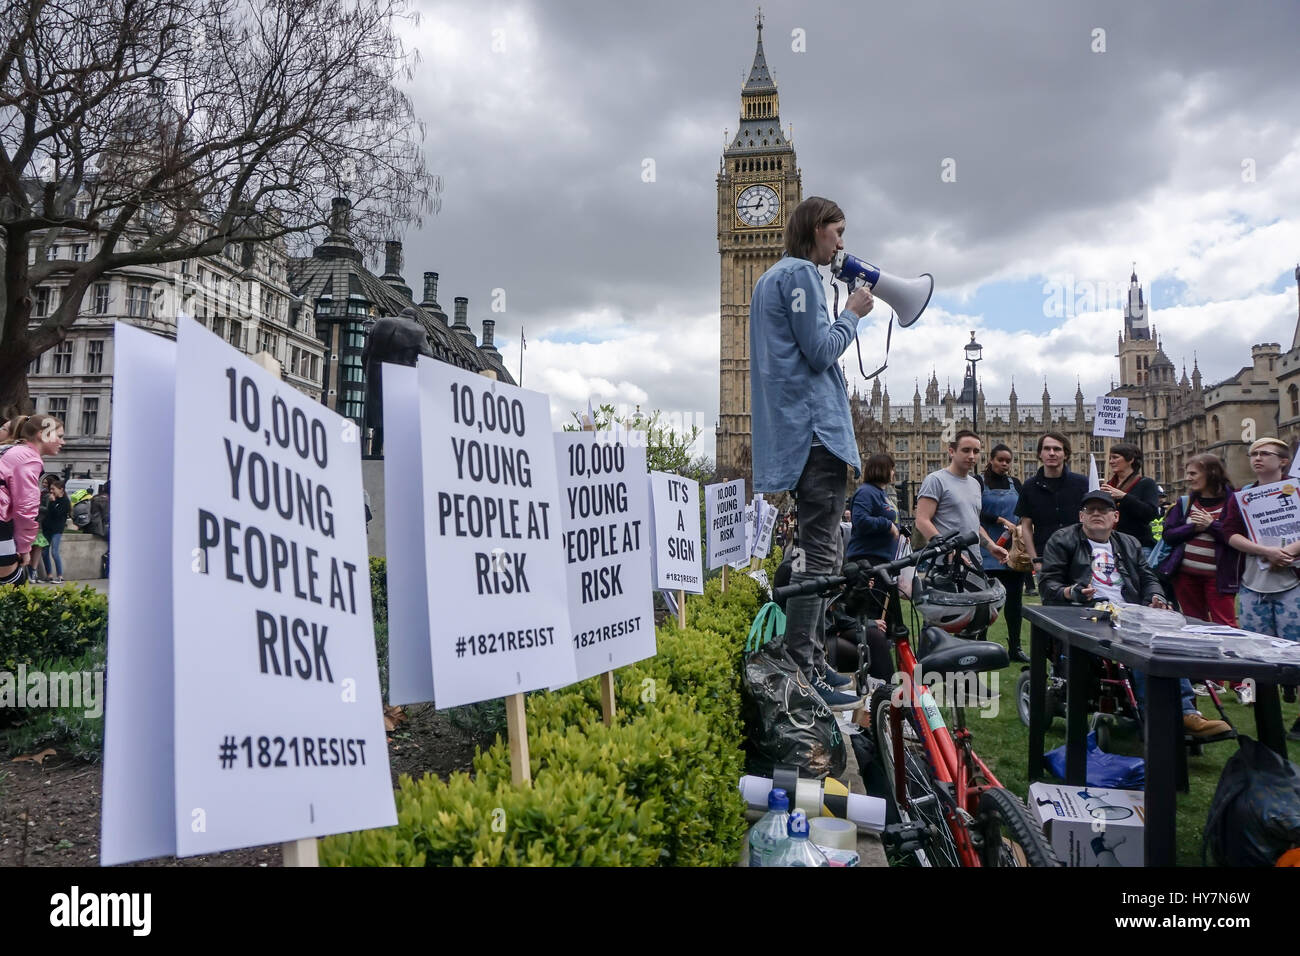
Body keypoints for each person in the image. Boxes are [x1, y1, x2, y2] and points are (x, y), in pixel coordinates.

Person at [749, 196, 873, 709]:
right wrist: (852, 314)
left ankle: (813, 659)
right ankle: (804, 668)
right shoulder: (799, 275)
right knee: (819, 554)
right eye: (837, 232)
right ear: (815, 229)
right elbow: (821, 351)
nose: (842, 244)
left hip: (796, 432)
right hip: (815, 433)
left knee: (817, 550)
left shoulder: (768, 279)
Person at [1039, 489, 1230, 738]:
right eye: (1090, 510)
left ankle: (1186, 712)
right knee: (1139, 645)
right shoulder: (1063, 540)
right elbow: (1048, 585)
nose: (1096, 514)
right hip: (1086, 614)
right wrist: (1071, 592)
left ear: (1115, 516)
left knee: (1171, 642)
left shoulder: (1129, 543)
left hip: (1131, 612)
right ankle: (1170, 715)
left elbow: (1147, 577)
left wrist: (1156, 597)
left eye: (1103, 509)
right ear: (1081, 516)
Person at [1224, 437, 1300, 740]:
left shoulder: (1296, 490)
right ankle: (1269, 722)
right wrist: (1264, 551)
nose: (1256, 458)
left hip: (1293, 580)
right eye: (1253, 453)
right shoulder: (1242, 497)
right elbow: (1229, 532)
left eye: (1264, 454)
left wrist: (1290, 551)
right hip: (1254, 583)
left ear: (1283, 461)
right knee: (1258, 653)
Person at [1157, 454, 1240, 626]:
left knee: (1225, 625)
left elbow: (1238, 537)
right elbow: (1169, 536)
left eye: (1193, 473)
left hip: (1219, 576)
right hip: (1185, 576)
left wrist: (1211, 525)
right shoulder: (1185, 502)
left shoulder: (1234, 501)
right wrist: (1193, 527)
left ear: (1211, 472)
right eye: (1187, 473)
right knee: (1194, 624)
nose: (1188, 478)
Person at [915, 429, 1008, 567]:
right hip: (945, 565)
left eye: (976, 451)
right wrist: (949, 551)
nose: (971, 456)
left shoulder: (975, 484)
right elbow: (922, 521)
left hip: (973, 563)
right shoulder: (936, 480)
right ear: (951, 451)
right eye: (966, 450)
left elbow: (973, 524)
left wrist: (991, 546)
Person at [0, 415, 66, 587]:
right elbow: (25, 508)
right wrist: (24, 548)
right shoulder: (28, 458)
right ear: (41, 434)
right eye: (59, 436)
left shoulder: (11, 450)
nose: (63, 442)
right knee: (12, 584)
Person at [979, 443, 1029, 662]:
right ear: (990, 459)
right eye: (1000, 460)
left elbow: (1024, 510)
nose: (1004, 464)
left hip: (1012, 552)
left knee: (1014, 603)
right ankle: (979, 644)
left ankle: (1015, 647)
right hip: (986, 549)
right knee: (984, 603)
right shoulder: (978, 482)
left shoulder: (1015, 483)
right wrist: (999, 520)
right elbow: (974, 511)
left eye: (1008, 461)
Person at [1016, 431, 1089, 577]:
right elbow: (1026, 526)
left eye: (1057, 449)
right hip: (1045, 557)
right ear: (1040, 454)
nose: (1051, 453)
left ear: (1066, 454)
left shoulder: (1082, 483)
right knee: (1050, 600)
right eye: (1047, 449)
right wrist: (1035, 560)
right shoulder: (1029, 487)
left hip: (1080, 556)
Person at [1100, 441, 1160, 561]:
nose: (1111, 462)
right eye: (1110, 458)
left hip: (1139, 546)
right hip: (1112, 546)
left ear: (1131, 459)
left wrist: (1124, 497)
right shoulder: (1109, 485)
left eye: (1115, 457)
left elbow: (1151, 513)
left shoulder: (1146, 483)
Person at [40, 476, 69, 583]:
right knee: (44, 552)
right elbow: (48, 513)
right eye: (50, 489)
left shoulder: (65, 501)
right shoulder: (52, 499)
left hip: (57, 529)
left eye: (53, 489)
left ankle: (60, 576)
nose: (51, 491)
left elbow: (58, 514)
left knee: (54, 552)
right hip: (47, 529)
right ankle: (49, 575)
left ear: (61, 489)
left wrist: (52, 503)